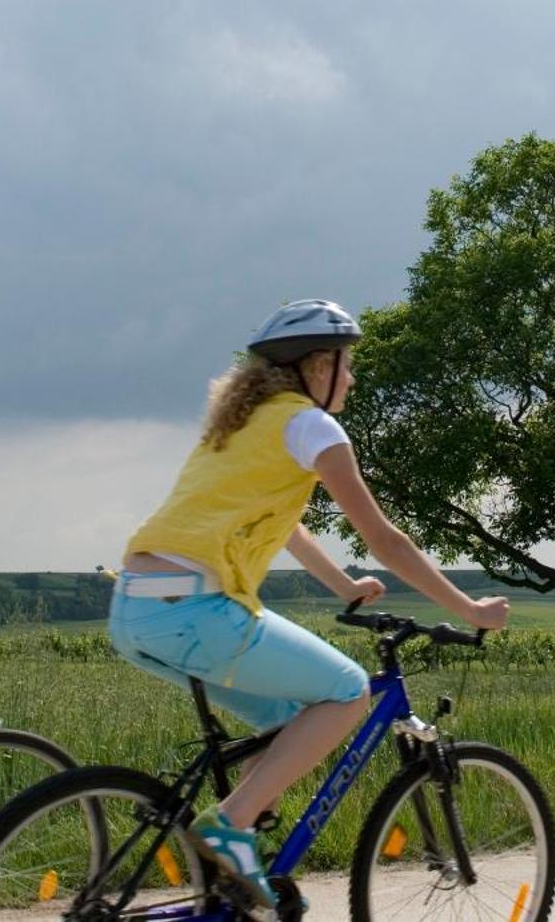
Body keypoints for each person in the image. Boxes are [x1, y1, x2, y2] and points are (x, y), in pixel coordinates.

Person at [109, 299, 510, 908]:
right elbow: (386, 539)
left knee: (285, 723)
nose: (350, 379)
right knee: (348, 690)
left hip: (135, 609)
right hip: (197, 609)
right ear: (317, 365)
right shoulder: (311, 426)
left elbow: (288, 528)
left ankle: (228, 882)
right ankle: (230, 825)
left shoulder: (241, 425)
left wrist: (344, 587)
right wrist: (469, 609)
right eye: (346, 365)